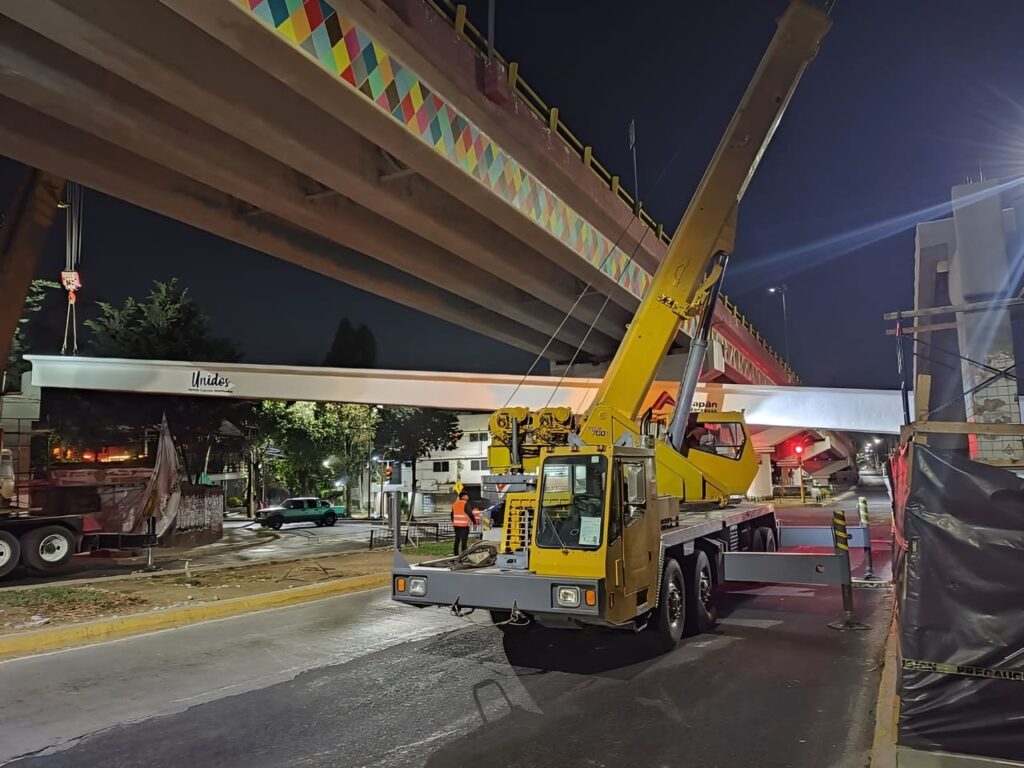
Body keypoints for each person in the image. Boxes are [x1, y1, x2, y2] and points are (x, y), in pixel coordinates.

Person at [451, 491, 478, 556]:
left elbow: (452, 514)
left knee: (457, 539)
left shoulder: (455, 503)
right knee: (464, 540)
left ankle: (456, 554)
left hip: (456, 525)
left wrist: (454, 522)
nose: (468, 497)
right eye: (466, 495)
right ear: (463, 496)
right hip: (464, 525)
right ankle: (464, 554)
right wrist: (474, 522)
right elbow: (470, 513)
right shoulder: (465, 503)